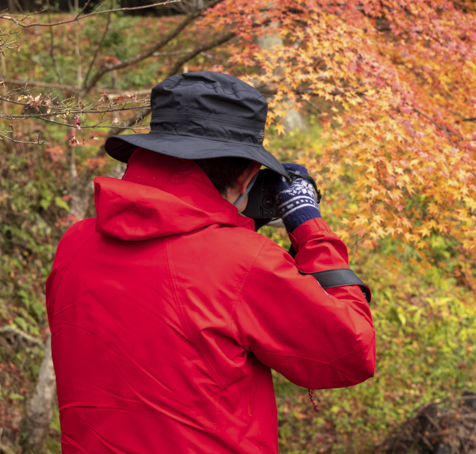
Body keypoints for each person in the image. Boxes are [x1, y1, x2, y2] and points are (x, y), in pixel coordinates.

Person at [46, 72, 375, 453]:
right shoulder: (243, 262)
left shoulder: (75, 245)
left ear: (150, 152)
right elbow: (353, 352)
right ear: (249, 175)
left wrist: (232, 220)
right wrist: (310, 226)